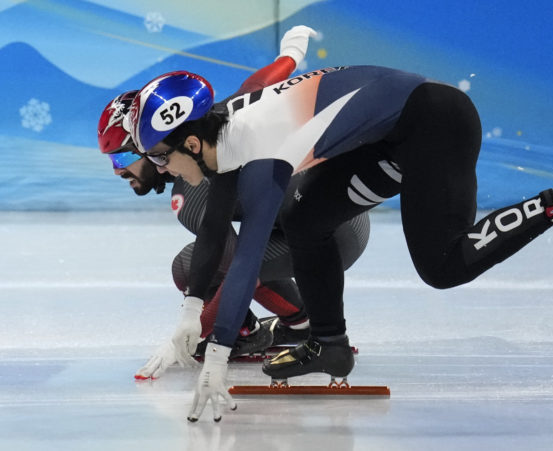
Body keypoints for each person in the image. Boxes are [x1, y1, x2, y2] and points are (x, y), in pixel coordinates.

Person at [128, 33, 553, 421]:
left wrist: (216, 355)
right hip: (387, 135)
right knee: (305, 219)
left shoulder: (260, 152)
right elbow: (215, 229)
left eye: (158, 156)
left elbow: (247, 257)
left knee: (442, 265)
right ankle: (329, 343)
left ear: (191, 144)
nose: (160, 168)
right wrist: (191, 311)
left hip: (435, 124)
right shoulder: (221, 128)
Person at [97, 26, 370, 380]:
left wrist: (203, 332)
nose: (119, 173)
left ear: (146, 147)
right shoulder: (214, 124)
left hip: (330, 232)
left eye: (120, 160)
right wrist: (290, 54)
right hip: (335, 214)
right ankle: (297, 322)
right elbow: (256, 86)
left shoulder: (190, 191)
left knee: (193, 265)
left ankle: (274, 330)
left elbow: (242, 268)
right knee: (208, 258)